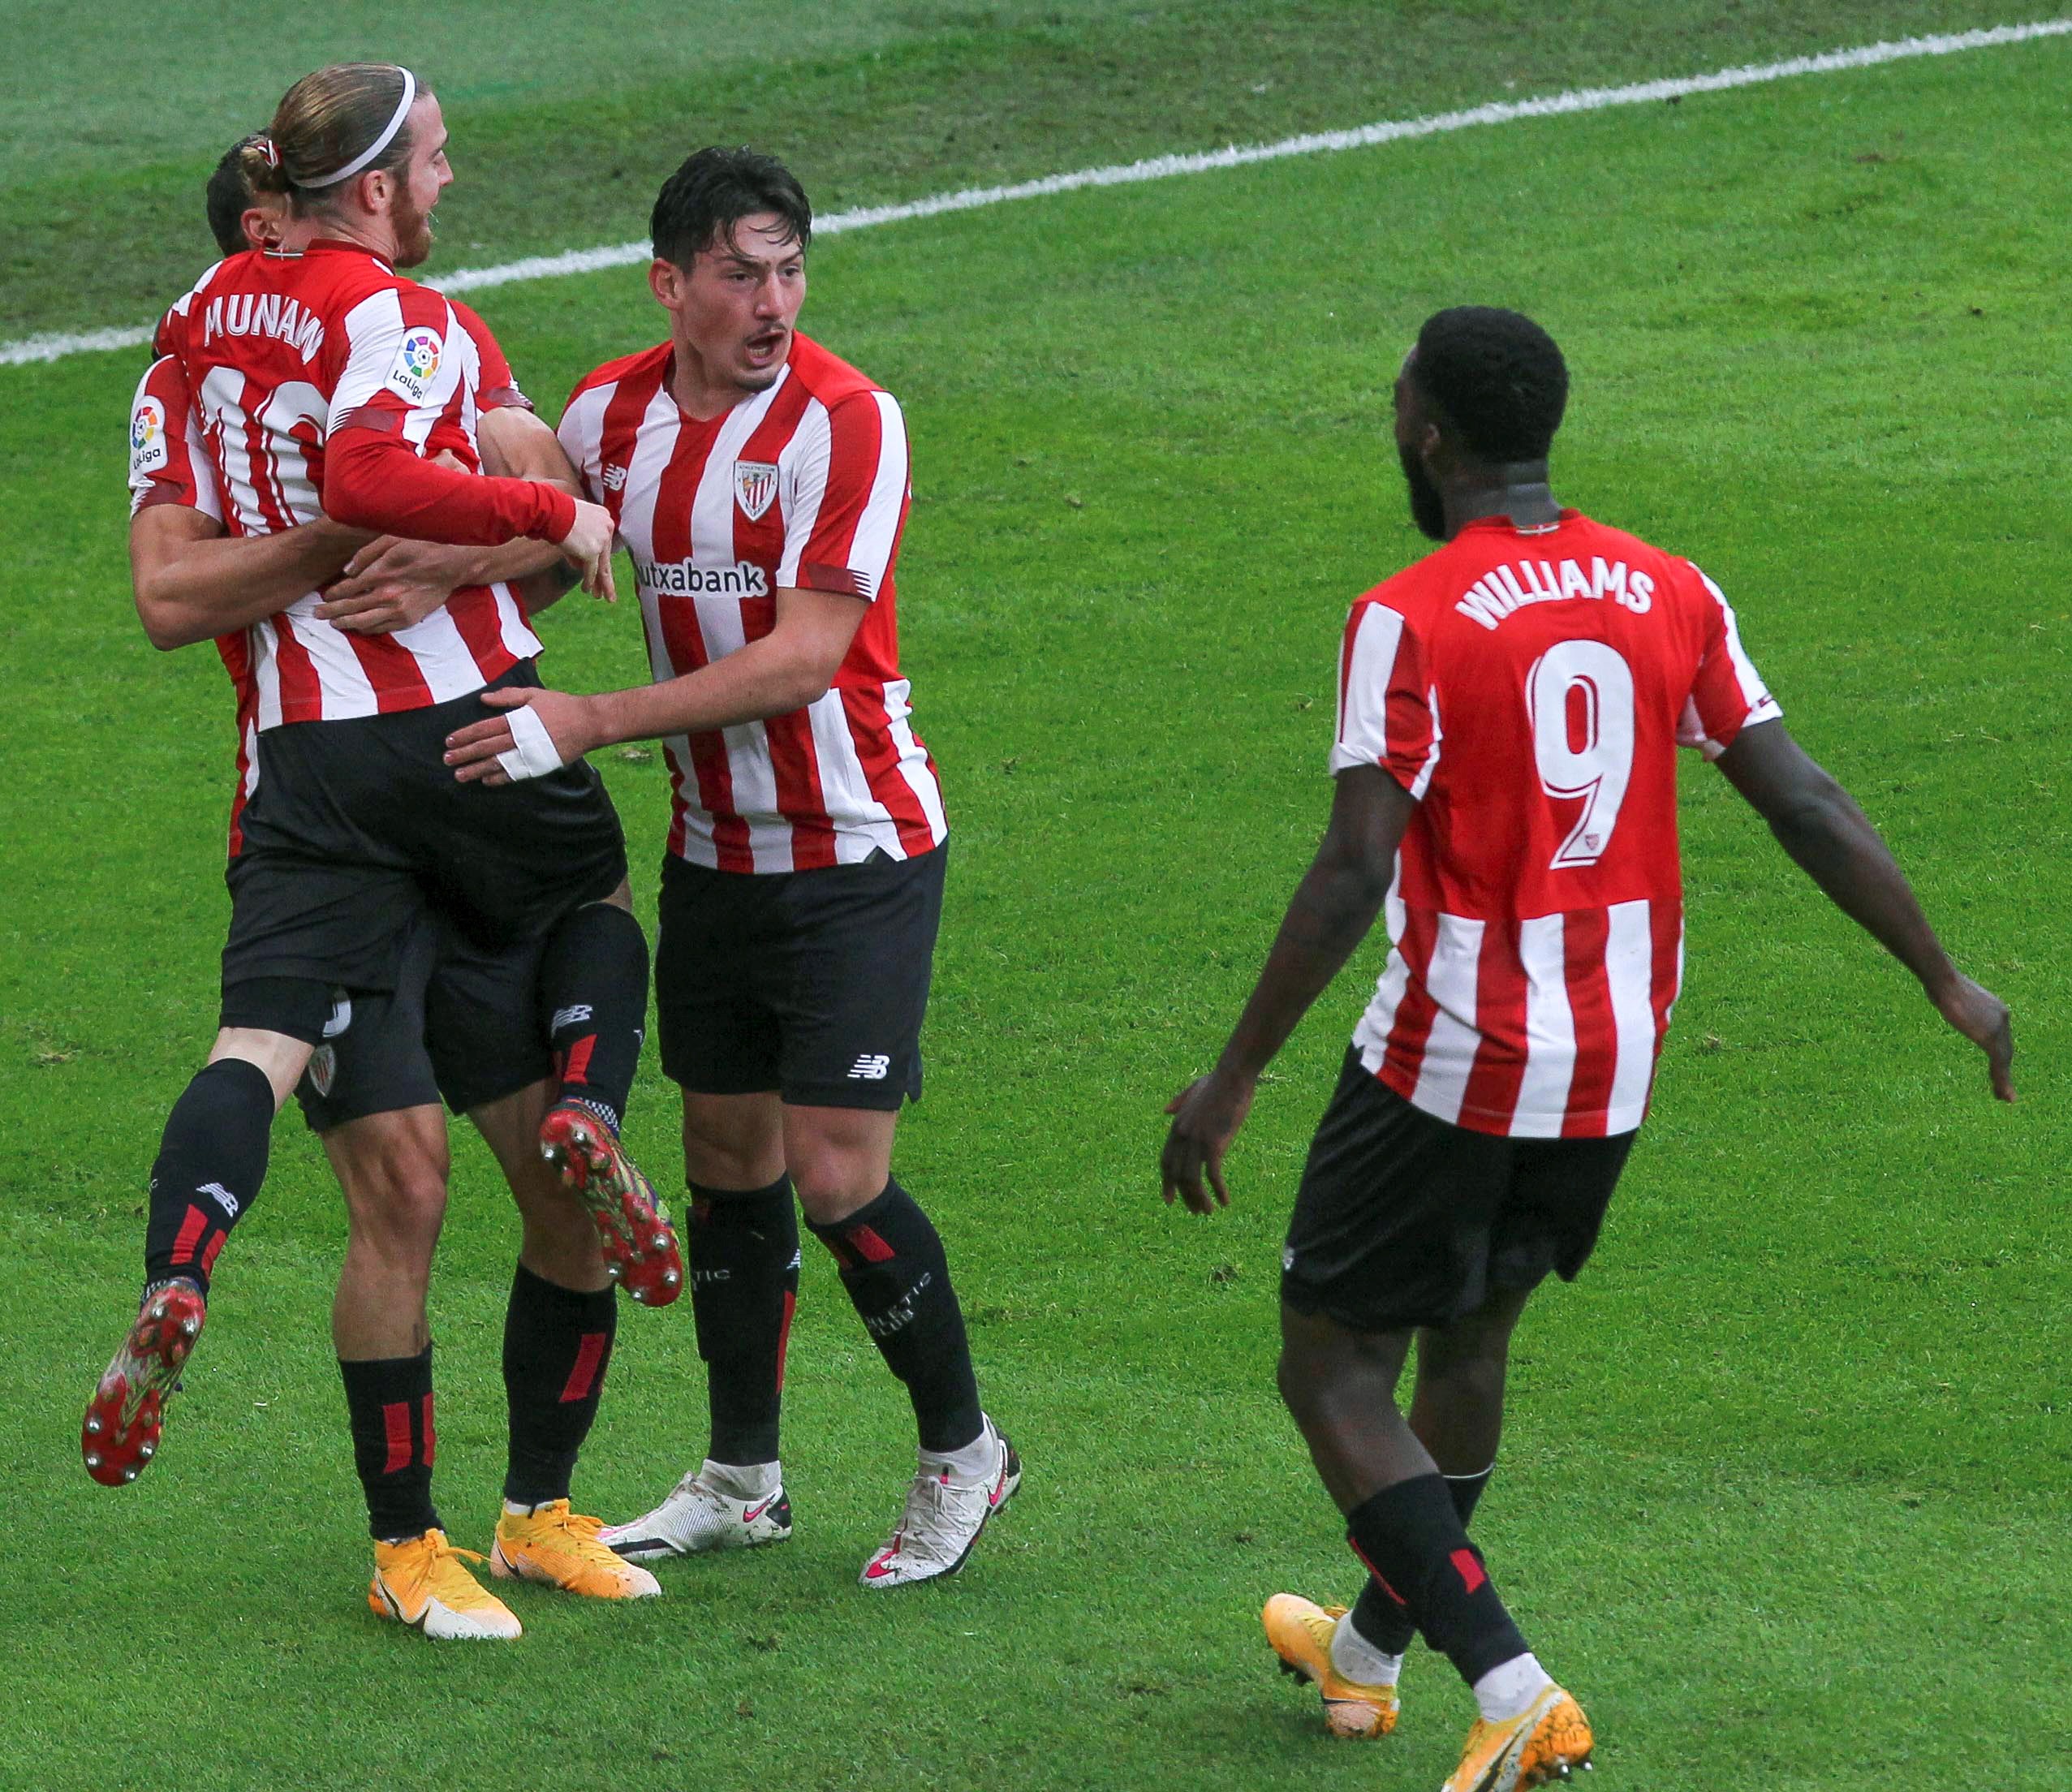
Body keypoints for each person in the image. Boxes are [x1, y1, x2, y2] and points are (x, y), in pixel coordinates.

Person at [1157, 306, 2014, 1787]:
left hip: (1449, 1052)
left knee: (1333, 1370)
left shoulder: (1410, 613)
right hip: (1612, 1051)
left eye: (1397, 401)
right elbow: (1798, 796)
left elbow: (1356, 866)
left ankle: (1508, 1681)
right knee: (1471, 1341)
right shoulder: (1666, 587)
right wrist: (1943, 976)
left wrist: (1229, 1076)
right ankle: (1363, 1657)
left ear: (1427, 428)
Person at [86, 68, 682, 1640]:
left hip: (312, 793)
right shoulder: (388, 324)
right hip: (432, 763)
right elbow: (542, 486)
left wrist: (465, 538)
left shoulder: (177, 366)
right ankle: (587, 1111)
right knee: (574, 927)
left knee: (318, 1097)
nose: (444, 183)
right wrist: (466, 536)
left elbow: (174, 595)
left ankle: (210, 1279)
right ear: (306, 211)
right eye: (423, 161)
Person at [443, 146, 1018, 1587]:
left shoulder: (847, 421)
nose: (772, 303)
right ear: (670, 283)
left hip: (858, 847)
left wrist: (586, 723)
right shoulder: (609, 414)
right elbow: (542, 543)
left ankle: (965, 1452)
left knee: (836, 1173)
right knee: (726, 1163)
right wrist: (422, 570)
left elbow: (808, 658)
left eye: (789, 271)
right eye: (740, 274)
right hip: (713, 856)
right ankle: (743, 1476)